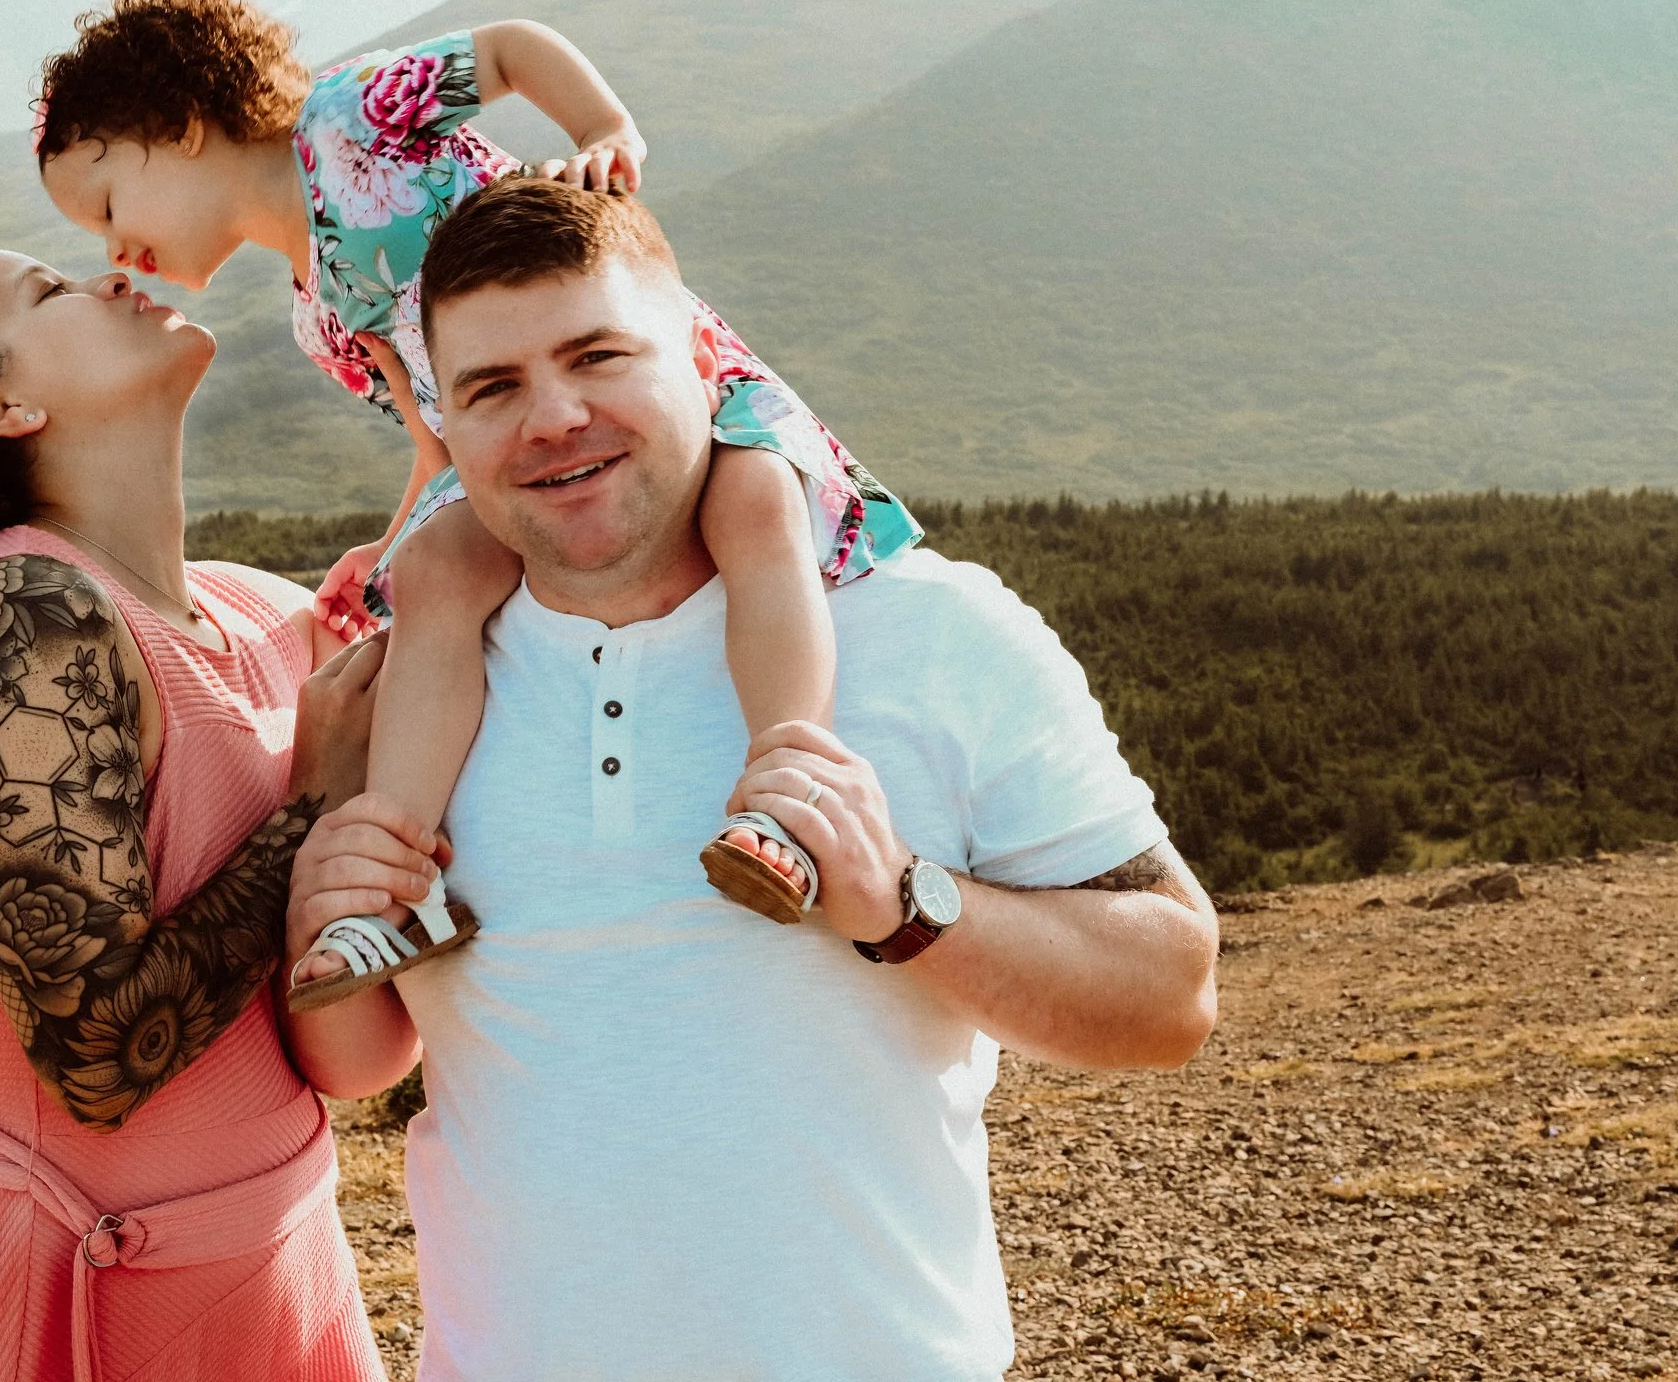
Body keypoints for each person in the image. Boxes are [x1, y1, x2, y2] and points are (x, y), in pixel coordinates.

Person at [283, 178, 1223, 1380]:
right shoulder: (404, 690)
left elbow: (1170, 997)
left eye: (597, 355)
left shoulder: (933, 632)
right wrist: (315, 884)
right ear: (447, 429)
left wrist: (904, 903)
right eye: (492, 387)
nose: (553, 416)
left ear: (701, 360)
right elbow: (355, 1062)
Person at [33, 0, 921, 1007]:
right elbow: (437, 440)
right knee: (432, 579)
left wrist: (601, 130)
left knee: (753, 502)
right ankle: (393, 883)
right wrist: (392, 541)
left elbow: (507, 49)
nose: (113, 250)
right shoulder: (317, 316)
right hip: (513, 459)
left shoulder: (345, 118)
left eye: (105, 206)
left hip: (653, 400)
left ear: (179, 129)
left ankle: (789, 795)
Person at [0, 251, 388, 1382]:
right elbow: (96, 1054)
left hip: (267, 1271)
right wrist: (309, 807)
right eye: (49, 292)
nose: (112, 276)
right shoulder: (23, 623)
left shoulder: (259, 606)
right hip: (24, 1310)